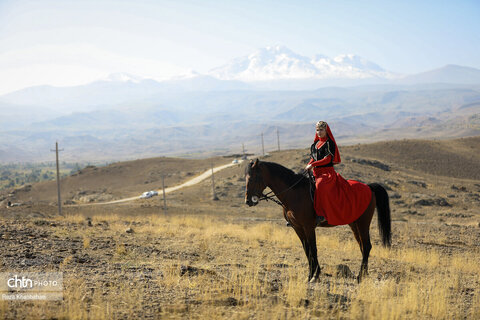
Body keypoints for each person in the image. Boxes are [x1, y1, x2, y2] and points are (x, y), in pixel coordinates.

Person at [306, 121, 372, 226]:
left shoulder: (329, 143)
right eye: (317, 130)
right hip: (315, 172)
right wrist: (309, 164)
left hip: (326, 173)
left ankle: (322, 214)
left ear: (326, 130)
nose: (319, 132)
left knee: (320, 186)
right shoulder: (315, 144)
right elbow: (312, 157)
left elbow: (327, 159)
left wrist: (313, 164)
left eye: (321, 130)